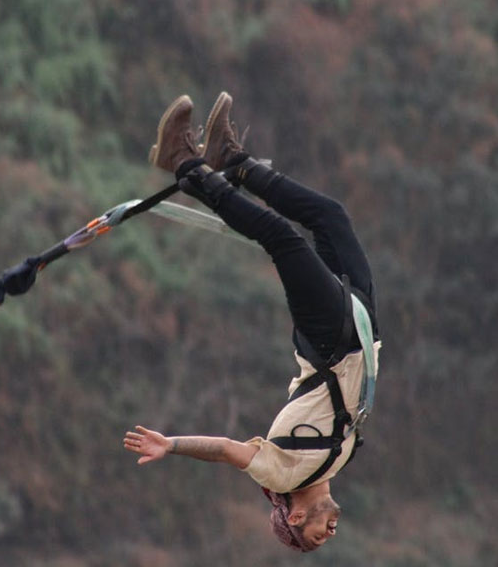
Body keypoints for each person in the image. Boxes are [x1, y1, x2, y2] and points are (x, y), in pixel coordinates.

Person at [123, 92, 380, 552]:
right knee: (329, 217)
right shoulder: (334, 465)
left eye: (315, 537)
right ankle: (234, 162)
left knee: (282, 239)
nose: (330, 533)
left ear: (295, 516)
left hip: (327, 338)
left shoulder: (278, 473)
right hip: (360, 323)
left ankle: (182, 163)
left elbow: (226, 450)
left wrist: (172, 444)